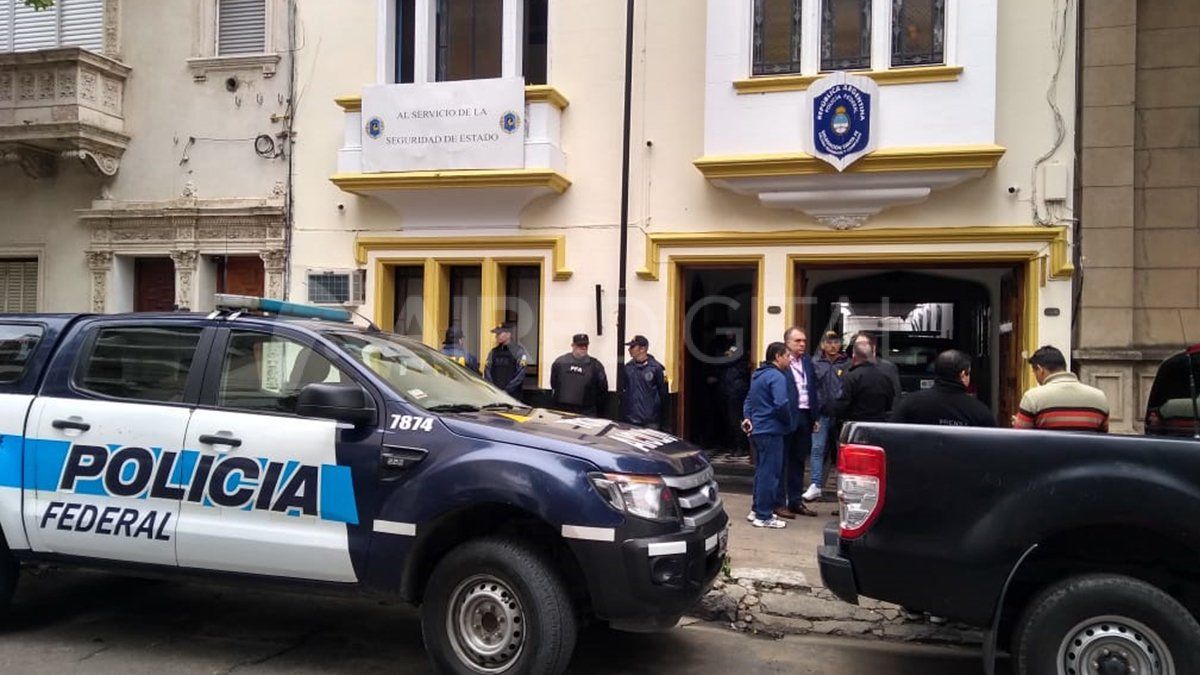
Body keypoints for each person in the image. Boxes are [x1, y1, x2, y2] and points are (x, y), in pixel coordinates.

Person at [740, 342, 797, 529]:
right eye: (787, 356)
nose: (790, 360)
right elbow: (781, 403)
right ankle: (764, 515)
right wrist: (788, 423)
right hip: (772, 430)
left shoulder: (758, 375)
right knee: (770, 474)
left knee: (761, 471)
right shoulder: (777, 376)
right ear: (778, 356)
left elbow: (749, 400)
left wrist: (748, 418)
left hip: (758, 430)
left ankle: (757, 509)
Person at [1014, 345, 1110, 432]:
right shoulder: (1100, 397)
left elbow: (1022, 438)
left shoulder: (1032, 398)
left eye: (1034, 372)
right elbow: (1103, 438)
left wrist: (1018, 423)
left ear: (1040, 369)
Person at [890, 349, 996, 427]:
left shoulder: (910, 403)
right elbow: (991, 446)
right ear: (963, 374)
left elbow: (893, 433)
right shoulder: (979, 412)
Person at [780, 327, 820, 517]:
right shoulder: (781, 362)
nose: (802, 344)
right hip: (787, 416)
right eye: (798, 341)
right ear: (787, 342)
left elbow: (812, 389)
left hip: (805, 415)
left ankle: (795, 501)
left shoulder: (807, 361)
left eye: (804, 341)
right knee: (782, 461)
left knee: (798, 460)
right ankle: (779, 502)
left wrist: (815, 417)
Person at [805, 330, 848, 502]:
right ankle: (815, 484)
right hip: (820, 414)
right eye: (828, 342)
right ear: (822, 345)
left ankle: (843, 487)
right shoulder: (814, 362)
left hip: (840, 415)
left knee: (842, 452)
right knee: (817, 449)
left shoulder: (848, 363)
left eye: (836, 342)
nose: (832, 345)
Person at [836, 332, 897, 423]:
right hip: (866, 423)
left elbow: (895, 398)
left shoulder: (887, 368)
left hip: (868, 424)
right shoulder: (846, 368)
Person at [550, 333, 609, 417]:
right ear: (573, 345)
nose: (583, 347)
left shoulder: (595, 365)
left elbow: (602, 390)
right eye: (580, 345)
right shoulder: (560, 363)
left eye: (585, 345)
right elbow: (554, 384)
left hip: (587, 412)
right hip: (563, 412)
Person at [619, 335, 668, 429]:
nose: (629, 349)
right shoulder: (628, 368)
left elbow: (663, 394)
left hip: (650, 422)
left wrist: (664, 422)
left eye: (633, 347)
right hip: (631, 420)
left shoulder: (656, 368)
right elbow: (624, 391)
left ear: (642, 349)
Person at [719, 345, 751, 456]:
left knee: (737, 420)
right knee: (730, 419)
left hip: (737, 393)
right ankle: (734, 445)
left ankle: (741, 446)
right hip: (728, 391)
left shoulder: (740, 364)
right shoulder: (729, 366)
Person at [484, 324, 528, 400]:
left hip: (513, 397)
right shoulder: (493, 352)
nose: (496, 336)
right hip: (495, 396)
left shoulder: (518, 351)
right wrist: (494, 389)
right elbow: (487, 371)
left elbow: (520, 375)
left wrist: (507, 390)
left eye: (499, 333)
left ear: (508, 334)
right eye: (496, 334)